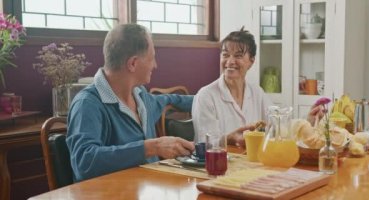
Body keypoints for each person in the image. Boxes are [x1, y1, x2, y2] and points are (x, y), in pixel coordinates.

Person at [66, 24, 194, 182]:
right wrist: (152, 147)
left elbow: (172, 99)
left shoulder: (142, 98)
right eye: (152, 58)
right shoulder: (87, 104)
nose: (155, 65)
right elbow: (84, 163)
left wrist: (213, 99)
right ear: (133, 63)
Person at [192, 27, 324, 147]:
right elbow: (204, 144)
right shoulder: (206, 96)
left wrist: (307, 121)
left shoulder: (256, 92)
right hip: (221, 167)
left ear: (251, 61)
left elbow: (277, 126)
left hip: (253, 163)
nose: (230, 61)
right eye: (225, 55)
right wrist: (228, 139)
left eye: (238, 55)